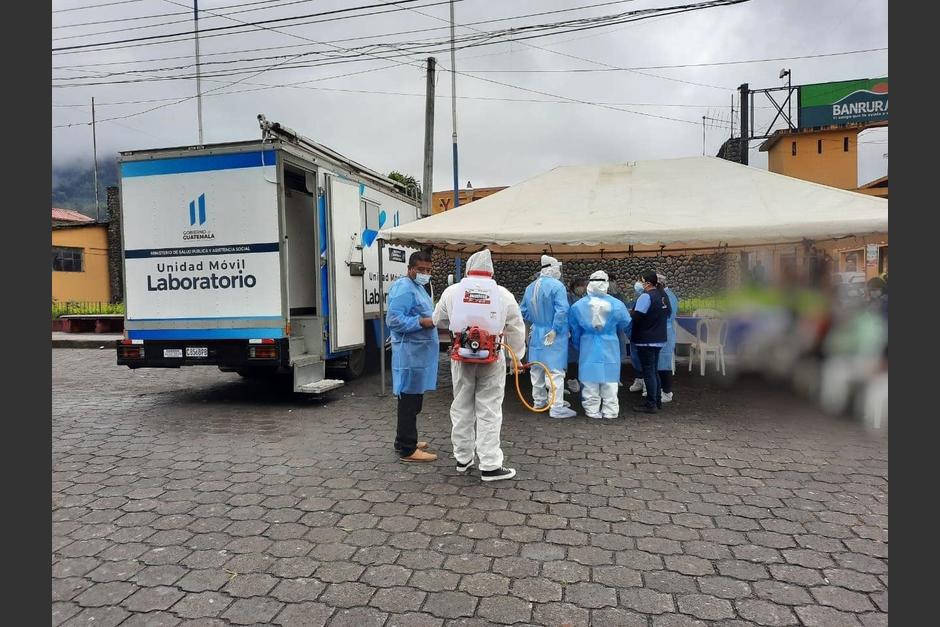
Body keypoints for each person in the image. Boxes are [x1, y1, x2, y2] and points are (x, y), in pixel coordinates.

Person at [433, 249, 526, 481]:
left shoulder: (452, 291)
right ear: (491, 272)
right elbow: (516, 326)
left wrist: (459, 326)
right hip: (492, 357)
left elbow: (438, 319)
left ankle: (463, 459)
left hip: (461, 356)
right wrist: (516, 357)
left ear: (468, 269)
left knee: (462, 405)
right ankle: (490, 465)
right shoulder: (503, 294)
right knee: (489, 409)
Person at [386, 251, 439, 462]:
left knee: (414, 400)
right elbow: (394, 319)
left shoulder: (417, 287)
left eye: (428, 270)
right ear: (410, 269)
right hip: (409, 354)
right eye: (421, 270)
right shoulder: (404, 288)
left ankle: (403, 439)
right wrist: (420, 322)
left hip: (418, 353)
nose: (425, 273)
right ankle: (407, 449)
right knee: (408, 400)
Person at [569, 270, 631, 419]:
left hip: (588, 344)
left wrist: (578, 345)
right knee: (610, 379)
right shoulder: (617, 304)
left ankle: (592, 410)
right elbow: (626, 323)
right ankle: (610, 410)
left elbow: (574, 329)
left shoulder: (578, 306)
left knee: (589, 379)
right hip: (610, 343)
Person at [520, 256, 576, 419]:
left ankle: (539, 401)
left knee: (536, 368)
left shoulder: (530, 287)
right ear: (553, 268)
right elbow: (562, 310)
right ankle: (556, 406)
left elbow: (523, 310)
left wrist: (537, 321)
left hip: (536, 332)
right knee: (555, 371)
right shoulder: (557, 286)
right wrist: (555, 329)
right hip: (553, 333)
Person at [630, 271, 672, 413]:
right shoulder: (662, 296)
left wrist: (629, 312)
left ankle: (651, 403)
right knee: (654, 371)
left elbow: (637, 317)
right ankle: (658, 399)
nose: (639, 284)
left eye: (640, 280)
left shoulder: (645, 296)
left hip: (646, 339)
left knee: (648, 372)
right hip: (659, 339)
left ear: (647, 283)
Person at [646, 273, 679, 403]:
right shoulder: (667, 295)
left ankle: (667, 391)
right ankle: (661, 390)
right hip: (663, 331)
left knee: (664, 364)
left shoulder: (666, 296)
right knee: (661, 363)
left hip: (664, 331)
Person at [627, 278, 646, 394]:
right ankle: (639, 379)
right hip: (635, 332)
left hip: (643, 333)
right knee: (636, 358)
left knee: (644, 359)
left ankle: (646, 384)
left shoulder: (648, 297)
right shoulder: (639, 298)